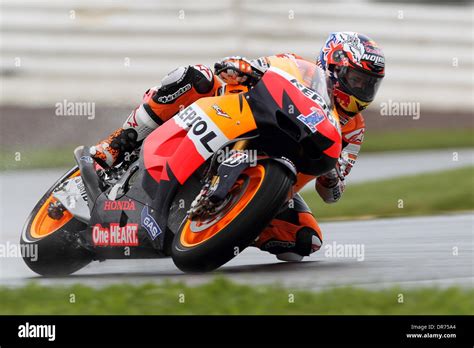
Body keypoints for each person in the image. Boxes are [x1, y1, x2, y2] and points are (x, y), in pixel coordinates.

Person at [89, 31, 385, 261]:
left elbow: (332, 194)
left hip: (279, 173)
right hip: (237, 116)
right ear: (333, 68)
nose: (362, 91)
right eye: (357, 80)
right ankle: (118, 142)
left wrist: (331, 173)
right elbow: (260, 69)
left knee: (305, 240)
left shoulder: (354, 129)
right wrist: (242, 68)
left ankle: (232, 222)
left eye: (369, 85)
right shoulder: (300, 67)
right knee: (195, 78)